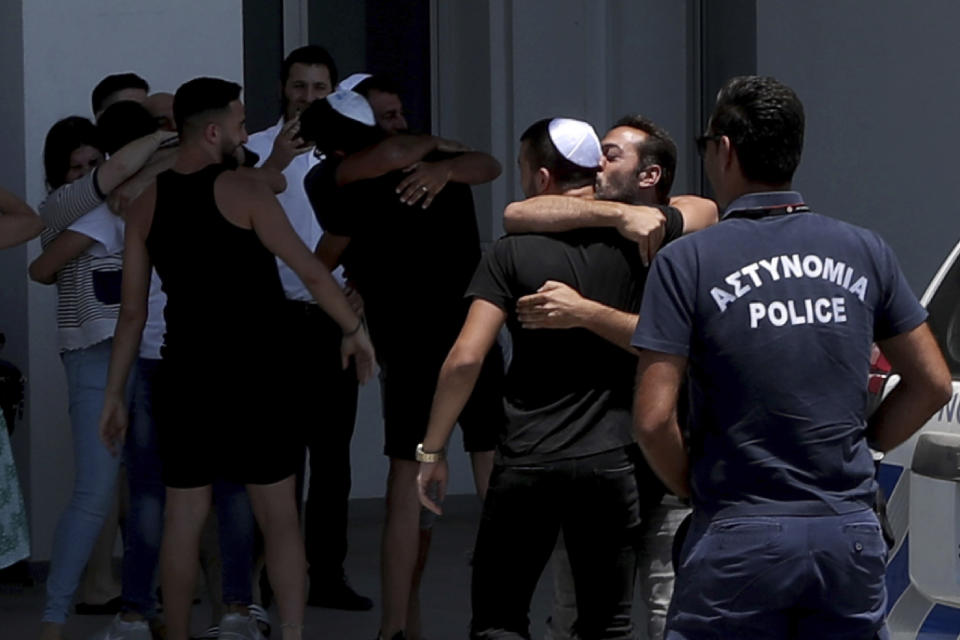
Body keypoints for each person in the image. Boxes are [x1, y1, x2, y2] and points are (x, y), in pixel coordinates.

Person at [631, 75, 952, 639]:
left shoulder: (689, 262)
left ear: (725, 149)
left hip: (739, 531)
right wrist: (866, 442)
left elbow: (654, 418)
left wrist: (695, 489)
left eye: (708, 144)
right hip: (844, 533)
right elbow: (931, 382)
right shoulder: (863, 249)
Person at [98, 77, 374, 640]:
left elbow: (131, 314)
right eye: (242, 124)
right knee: (278, 519)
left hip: (185, 377)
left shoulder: (147, 202)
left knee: (183, 519)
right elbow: (310, 268)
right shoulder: (246, 191)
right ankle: (292, 631)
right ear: (215, 130)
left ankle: (176, 632)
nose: (248, 133)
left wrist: (113, 394)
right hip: (257, 377)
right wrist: (354, 329)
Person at [415, 117, 660, 640]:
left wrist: (432, 451)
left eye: (525, 169)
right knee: (607, 624)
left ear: (542, 177)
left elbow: (465, 358)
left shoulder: (509, 252)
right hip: (610, 460)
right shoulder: (639, 245)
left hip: (527, 459)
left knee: (500, 618)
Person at [303, 90, 504, 640]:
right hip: (470, 339)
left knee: (415, 483)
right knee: (485, 475)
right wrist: (440, 156)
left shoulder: (333, 185)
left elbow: (326, 257)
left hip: (421, 350)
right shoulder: (427, 167)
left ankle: (398, 627)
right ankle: (494, 620)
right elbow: (477, 163)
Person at [505, 115, 715, 640]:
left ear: (650, 175)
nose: (596, 163)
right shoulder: (593, 222)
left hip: (669, 462)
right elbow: (516, 211)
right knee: (578, 614)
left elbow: (703, 209)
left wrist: (585, 312)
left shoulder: (683, 226)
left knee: (675, 614)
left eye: (611, 153)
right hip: (598, 461)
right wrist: (618, 217)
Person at [30, 114, 173, 640]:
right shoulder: (63, 208)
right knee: (95, 490)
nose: (90, 174)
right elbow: (41, 269)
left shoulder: (128, 203)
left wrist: (158, 143)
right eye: (77, 167)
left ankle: (145, 605)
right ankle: (54, 620)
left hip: (145, 352)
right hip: (93, 357)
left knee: (149, 491)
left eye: (95, 162)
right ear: (57, 175)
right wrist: (154, 140)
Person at [246, 45, 373, 611]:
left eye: (320, 88)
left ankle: (328, 574)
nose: (308, 98)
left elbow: (373, 231)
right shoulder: (252, 151)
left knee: (332, 457)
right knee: (277, 459)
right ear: (283, 89)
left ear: (334, 91)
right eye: (299, 87)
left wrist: (362, 289)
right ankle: (273, 577)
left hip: (333, 322)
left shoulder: (353, 157)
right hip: (271, 322)